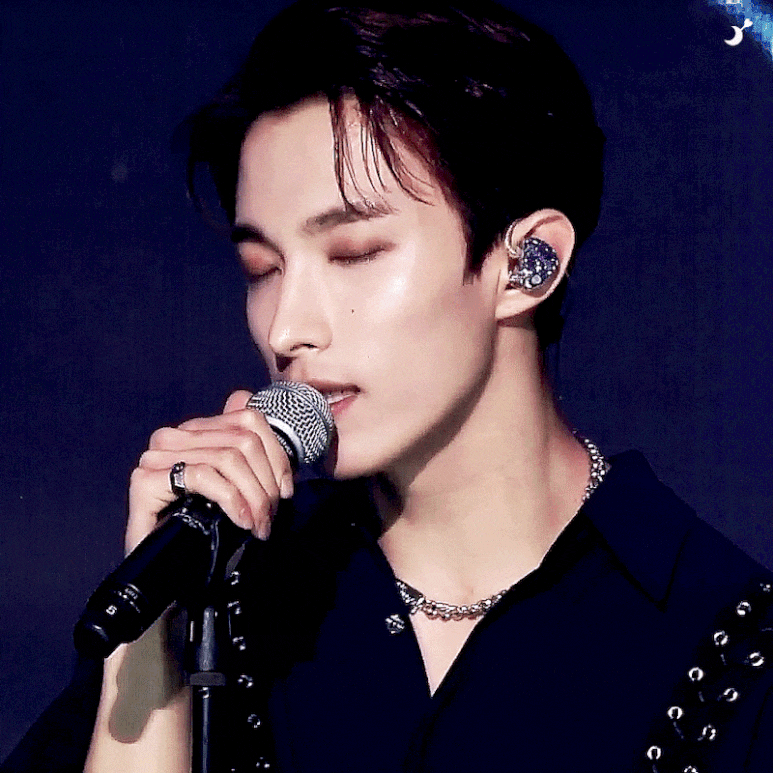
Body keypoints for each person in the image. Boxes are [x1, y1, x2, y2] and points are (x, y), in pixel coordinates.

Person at [4, 1, 773, 771]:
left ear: (526, 264)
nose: (286, 328)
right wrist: (155, 648)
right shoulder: (220, 589)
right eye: (261, 269)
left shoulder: (728, 646)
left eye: (352, 253)